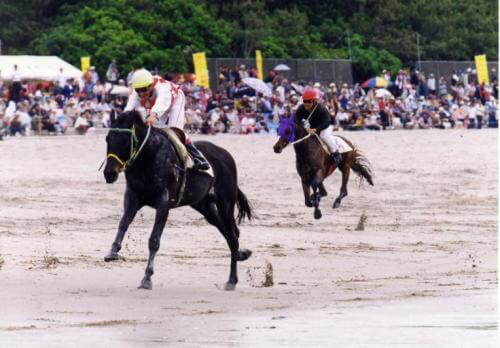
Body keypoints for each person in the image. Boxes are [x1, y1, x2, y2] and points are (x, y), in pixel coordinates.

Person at [124, 68, 209, 170]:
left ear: (150, 86)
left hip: (175, 101)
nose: (141, 93)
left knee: (174, 131)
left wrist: (153, 115)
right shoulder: (138, 89)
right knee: (153, 130)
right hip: (157, 106)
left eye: (144, 90)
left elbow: (161, 103)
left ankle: (199, 158)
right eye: (138, 90)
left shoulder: (162, 88)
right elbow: (129, 108)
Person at [294, 88, 342, 166]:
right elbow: (296, 119)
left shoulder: (321, 108)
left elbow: (327, 122)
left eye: (309, 101)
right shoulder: (301, 108)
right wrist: (304, 127)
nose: (306, 103)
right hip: (312, 126)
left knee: (324, 136)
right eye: (304, 101)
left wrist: (316, 129)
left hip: (327, 125)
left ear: (314, 101)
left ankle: (336, 153)